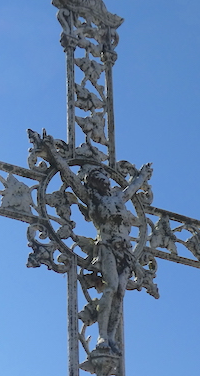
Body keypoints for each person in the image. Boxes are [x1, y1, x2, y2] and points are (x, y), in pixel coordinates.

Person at [29, 130, 152, 354]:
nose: (105, 180)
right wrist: (53, 155)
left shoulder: (118, 198)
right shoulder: (91, 199)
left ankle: (111, 339)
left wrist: (142, 177)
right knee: (111, 287)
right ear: (93, 183)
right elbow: (69, 176)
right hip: (106, 247)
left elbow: (131, 190)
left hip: (126, 253)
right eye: (99, 178)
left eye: (105, 178)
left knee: (120, 294)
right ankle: (102, 337)